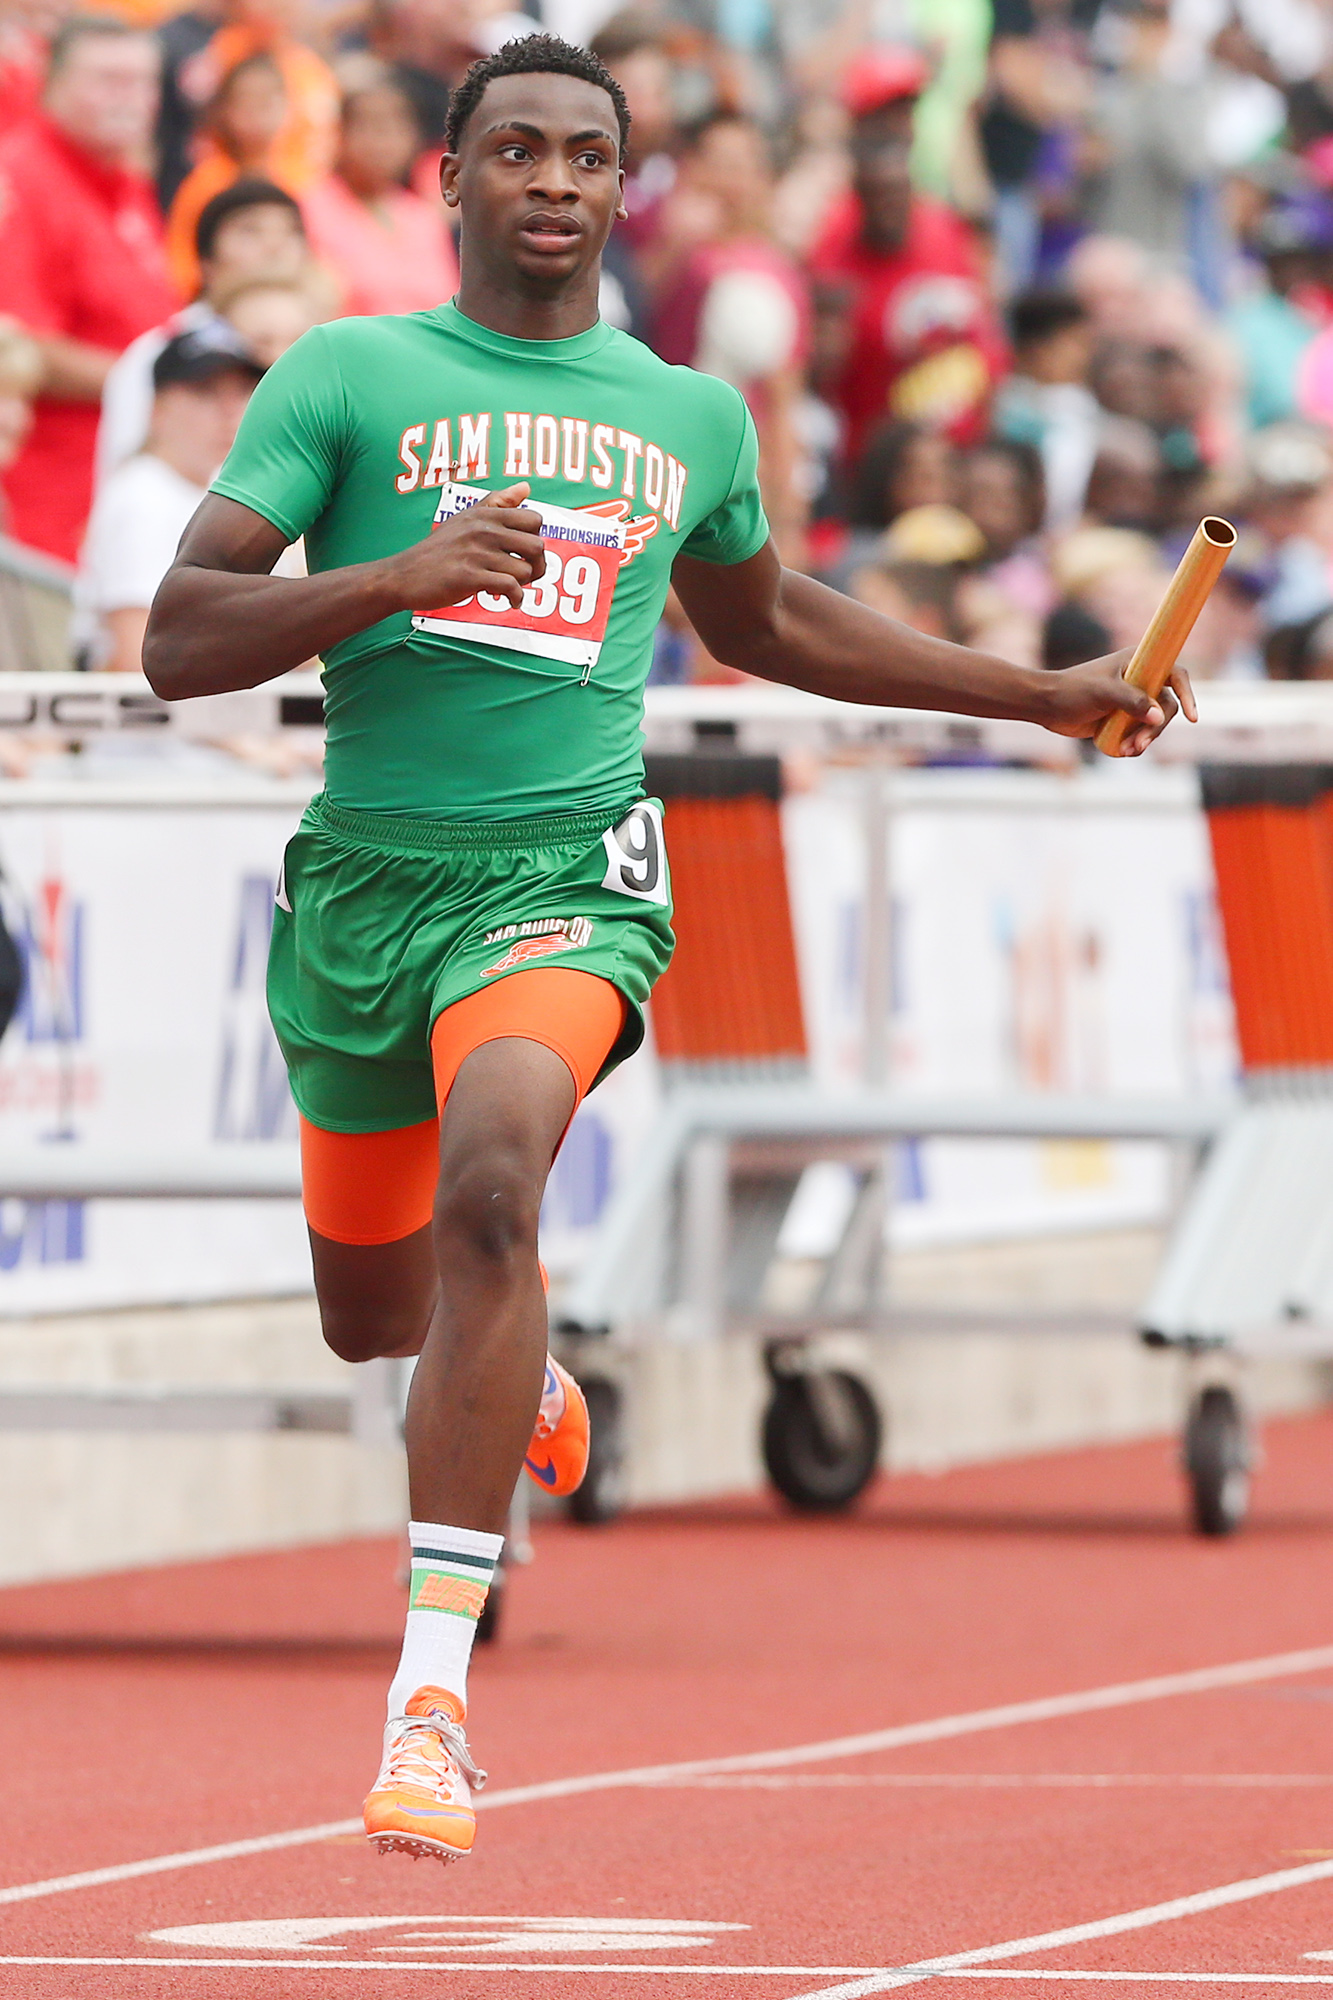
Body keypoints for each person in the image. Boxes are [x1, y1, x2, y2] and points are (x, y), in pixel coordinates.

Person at [142, 32, 1189, 1871]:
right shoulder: (346, 373)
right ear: (450, 179)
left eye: (587, 156)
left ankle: (431, 1704)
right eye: (518, 150)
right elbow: (178, 636)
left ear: (625, 191)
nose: (553, 181)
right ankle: (513, 1370)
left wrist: (1034, 691)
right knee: (374, 1317)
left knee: (494, 1192)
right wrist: (390, 575)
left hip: (567, 875)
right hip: (369, 886)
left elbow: (765, 618)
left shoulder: (687, 414)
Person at [0, 15, 178, 562]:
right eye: (108, 79)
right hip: (45, 500)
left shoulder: (124, 182)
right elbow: (19, 348)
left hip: (112, 484)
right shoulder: (23, 180)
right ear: (51, 83)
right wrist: (166, 384)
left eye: (144, 82)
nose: (131, 99)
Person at [810, 44, 1007, 460]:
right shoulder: (831, 232)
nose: (901, 127)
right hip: (874, 451)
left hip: (957, 446)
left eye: (907, 111)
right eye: (886, 113)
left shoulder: (942, 222)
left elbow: (982, 334)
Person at [97, 176, 308, 487]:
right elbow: (130, 475)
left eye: (290, 232)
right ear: (207, 261)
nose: (274, 247)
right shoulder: (159, 354)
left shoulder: (317, 348)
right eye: (251, 230)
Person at [76, 325, 263, 670]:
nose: (228, 411)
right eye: (204, 391)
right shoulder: (142, 496)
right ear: (158, 409)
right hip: (165, 718)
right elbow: (138, 661)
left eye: (241, 392)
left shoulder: (220, 492)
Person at [302, 63, 458, 318]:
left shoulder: (423, 217)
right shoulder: (309, 207)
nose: (384, 142)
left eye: (397, 128)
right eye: (369, 126)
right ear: (339, 134)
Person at [166, 51, 294, 297]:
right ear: (225, 110)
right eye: (248, 99)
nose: (260, 109)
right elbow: (182, 266)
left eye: (270, 98)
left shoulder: (298, 178)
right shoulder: (207, 183)